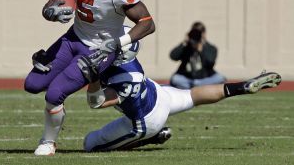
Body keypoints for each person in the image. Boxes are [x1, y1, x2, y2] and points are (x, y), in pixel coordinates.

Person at [24, 0, 155, 156]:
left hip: (100, 49)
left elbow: (147, 23)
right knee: (33, 84)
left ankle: (48, 142)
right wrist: (50, 11)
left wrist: (117, 43)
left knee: (54, 94)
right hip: (73, 38)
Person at [78, 30, 282, 152]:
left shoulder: (125, 79)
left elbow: (97, 102)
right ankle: (242, 87)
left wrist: (94, 78)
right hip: (159, 94)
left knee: (91, 144)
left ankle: (150, 138)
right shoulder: (126, 59)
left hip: (146, 120)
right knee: (193, 95)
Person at [170, 21, 226, 89]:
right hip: (188, 79)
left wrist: (201, 51)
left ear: (204, 34)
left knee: (220, 78)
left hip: (205, 79)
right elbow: (173, 56)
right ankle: (200, 88)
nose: (197, 35)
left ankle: (195, 87)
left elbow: (211, 63)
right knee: (175, 79)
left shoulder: (211, 48)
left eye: (199, 32)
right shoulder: (186, 47)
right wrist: (184, 43)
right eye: (194, 32)